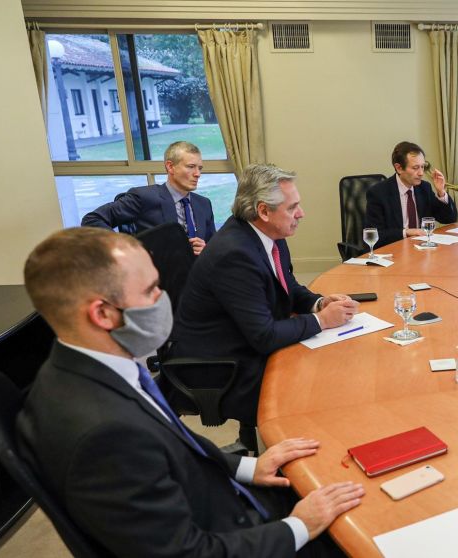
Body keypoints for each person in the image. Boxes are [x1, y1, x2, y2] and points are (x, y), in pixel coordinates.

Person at [18, 227, 365, 557]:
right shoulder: (105, 435)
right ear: (103, 313)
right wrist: (300, 527)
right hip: (236, 533)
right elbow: (189, 552)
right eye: (151, 290)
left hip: (220, 496)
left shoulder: (87, 366)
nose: (164, 298)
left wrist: (249, 466)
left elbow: (175, 441)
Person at [169, 164, 360, 425]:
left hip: (246, 341)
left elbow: (287, 286)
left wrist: (319, 303)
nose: (301, 214)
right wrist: (323, 321)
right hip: (221, 365)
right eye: (292, 207)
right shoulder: (234, 254)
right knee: (320, 388)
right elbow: (264, 336)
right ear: (263, 211)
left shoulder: (269, 232)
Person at [81, 141, 216, 255]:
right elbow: (92, 219)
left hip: (197, 276)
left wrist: (206, 250)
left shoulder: (203, 204)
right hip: (159, 277)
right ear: (170, 167)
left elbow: (214, 246)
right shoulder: (144, 197)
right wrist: (124, 248)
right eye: (191, 167)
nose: (198, 174)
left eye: (200, 168)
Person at [363, 141, 458, 249]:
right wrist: (406, 232)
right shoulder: (379, 193)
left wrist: (441, 192)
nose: (421, 173)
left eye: (422, 167)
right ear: (399, 168)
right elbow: (374, 235)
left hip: (422, 250)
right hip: (395, 251)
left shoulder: (424, 188)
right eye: (415, 168)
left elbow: (449, 219)